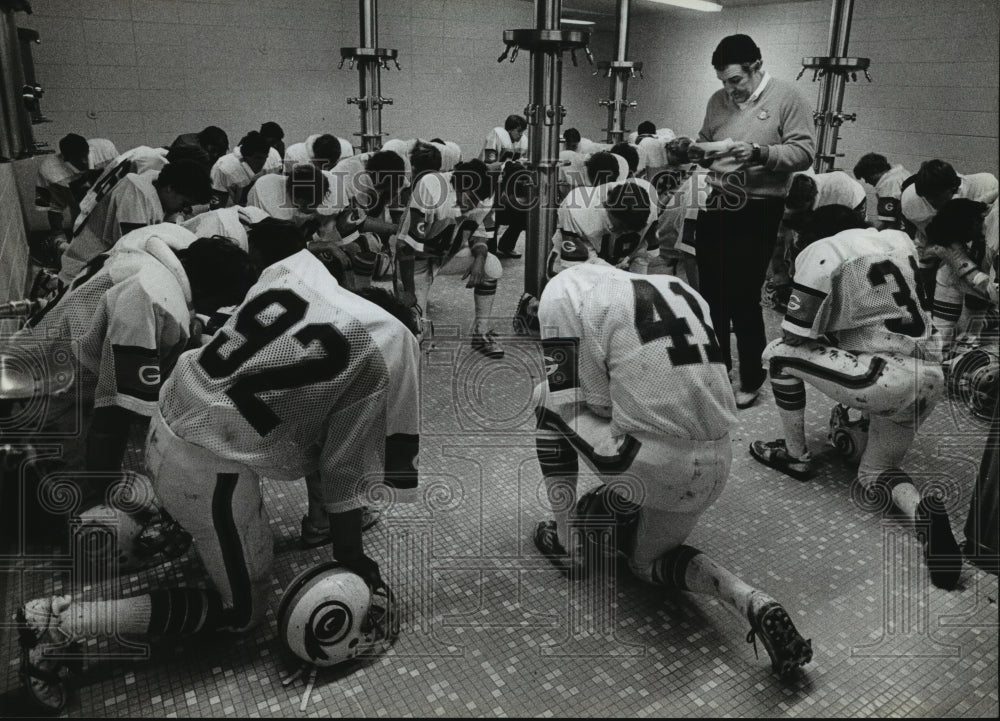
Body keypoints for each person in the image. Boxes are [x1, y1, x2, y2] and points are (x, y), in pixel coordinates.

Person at [15, 237, 420, 712]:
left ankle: (170, 526)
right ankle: (60, 623)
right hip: (204, 469)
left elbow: (311, 433)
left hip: (171, 414)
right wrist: (352, 558)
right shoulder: (376, 353)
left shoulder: (299, 280)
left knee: (215, 510)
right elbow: (342, 470)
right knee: (243, 613)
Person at [531, 261, 813, 677]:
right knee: (648, 563)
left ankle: (565, 540)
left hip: (651, 463)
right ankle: (748, 598)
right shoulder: (676, 286)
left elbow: (595, 404)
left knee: (546, 398)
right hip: (718, 459)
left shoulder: (561, 292)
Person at [1, 224, 252, 556]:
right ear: (211, 291)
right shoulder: (152, 302)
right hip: (46, 398)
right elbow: (114, 416)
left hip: (34, 359)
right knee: (101, 529)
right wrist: (104, 486)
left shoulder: (159, 244)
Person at [747, 205, 960, 590]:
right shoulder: (897, 240)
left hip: (883, 376)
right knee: (873, 474)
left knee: (777, 354)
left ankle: (795, 456)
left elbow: (795, 336)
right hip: (929, 377)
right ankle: (922, 512)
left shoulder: (824, 250)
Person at [693, 34, 815, 409]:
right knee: (710, 294)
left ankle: (750, 376)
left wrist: (760, 153)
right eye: (724, 82)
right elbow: (704, 139)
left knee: (742, 296)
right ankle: (718, 371)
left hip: (760, 206)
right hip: (717, 202)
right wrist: (696, 150)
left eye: (736, 81)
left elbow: (804, 151)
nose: (730, 90)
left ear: (756, 67)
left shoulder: (786, 98)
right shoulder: (718, 101)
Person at [394, 151, 504, 357]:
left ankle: (480, 333)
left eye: (477, 201)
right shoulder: (431, 186)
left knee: (492, 266)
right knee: (414, 338)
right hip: (414, 261)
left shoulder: (483, 197)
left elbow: (479, 234)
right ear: (458, 184)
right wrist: (409, 290)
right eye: (470, 198)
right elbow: (405, 247)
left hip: (446, 256)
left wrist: (479, 257)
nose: (472, 205)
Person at [59, 160, 213, 284]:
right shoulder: (135, 190)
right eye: (184, 203)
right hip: (81, 271)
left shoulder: (158, 186)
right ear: (170, 188)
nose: (182, 210)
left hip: (103, 268)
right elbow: (136, 250)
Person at [924, 198, 998, 358]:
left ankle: (991, 319)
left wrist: (960, 262)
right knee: (950, 270)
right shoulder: (982, 213)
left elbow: (995, 293)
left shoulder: (992, 230)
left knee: (960, 269)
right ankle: (947, 347)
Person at [35, 134, 119, 238]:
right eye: (79, 159)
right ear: (66, 159)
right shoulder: (49, 171)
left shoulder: (106, 149)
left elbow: (120, 179)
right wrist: (59, 237)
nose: (84, 161)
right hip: (81, 212)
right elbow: (54, 209)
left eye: (85, 156)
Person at [209, 131, 276, 209]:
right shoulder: (223, 168)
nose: (262, 162)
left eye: (265, 158)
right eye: (258, 158)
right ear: (246, 156)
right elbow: (217, 207)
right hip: (229, 210)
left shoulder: (272, 162)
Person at [852, 153, 911, 230]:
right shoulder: (902, 174)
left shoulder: (889, 184)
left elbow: (889, 224)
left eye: (866, 177)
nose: (866, 181)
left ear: (874, 171)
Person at [284, 133, 352, 172]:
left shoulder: (347, 150)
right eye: (323, 165)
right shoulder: (294, 154)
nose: (326, 169)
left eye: (331, 166)